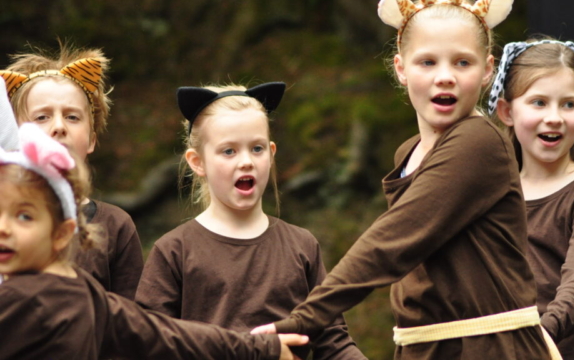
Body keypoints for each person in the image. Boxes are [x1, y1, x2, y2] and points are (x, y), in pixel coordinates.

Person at [252, 0, 560, 360]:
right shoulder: (408, 154)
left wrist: (302, 320)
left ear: (487, 70)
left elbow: (393, 241)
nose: (444, 76)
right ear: (400, 68)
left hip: (491, 348)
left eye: (462, 62)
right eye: (427, 62)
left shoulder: (479, 141)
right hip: (424, 348)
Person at [0, 123, 309, 360]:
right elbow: (172, 335)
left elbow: (168, 334)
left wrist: (260, 349)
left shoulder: (22, 299)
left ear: (61, 234)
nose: (3, 228)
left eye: (24, 216)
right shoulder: (81, 290)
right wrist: (260, 349)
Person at [135, 82, 366, 359]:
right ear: (198, 162)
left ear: (271, 152)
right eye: (229, 151)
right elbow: (149, 344)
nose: (246, 161)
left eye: (256, 149)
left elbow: (333, 343)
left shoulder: (302, 245)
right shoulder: (174, 250)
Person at [490, 37, 574, 359]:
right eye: (539, 102)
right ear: (507, 111)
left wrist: (541, 337)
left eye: (568, 104)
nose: (554, 116)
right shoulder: (493, 198)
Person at [0, 43, 144, 299]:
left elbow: (133, 321)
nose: (58, 127)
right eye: (41, 117)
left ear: (91, 139)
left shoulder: (116, 225)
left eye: (72, 117)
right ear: (14, 133)